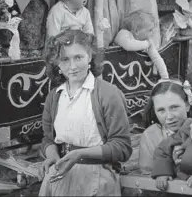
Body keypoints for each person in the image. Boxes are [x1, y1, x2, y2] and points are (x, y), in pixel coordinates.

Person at [39, 30, 132, 196]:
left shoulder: (108, 94)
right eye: (65, 60)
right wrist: (52, 154)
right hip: (61, 173)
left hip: (96, 176)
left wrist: (80, 154)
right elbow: (48, 139)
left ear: (90, 57)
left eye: (78, 57)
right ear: (57, 64)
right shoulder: (54, 97)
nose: (73, 66)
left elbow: (122, 148)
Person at [138, 79, 192, 174]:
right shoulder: (150, 136)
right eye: (161, 110)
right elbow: (147, 176)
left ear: (187, 105)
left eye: (174, 107)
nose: (169, 117)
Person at [114, 11, 169, 79]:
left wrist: (165, 77)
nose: (152, 33)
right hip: (117, 72)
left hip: (132, 76)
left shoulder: (146, 41)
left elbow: (157, 59)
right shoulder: (123, 34)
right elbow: (128, 45)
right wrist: (147, 44)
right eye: (150, 30)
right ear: (137, 31)